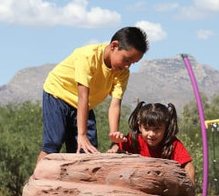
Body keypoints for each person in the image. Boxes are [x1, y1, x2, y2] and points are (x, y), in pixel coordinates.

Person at [36, 26, 149, 164]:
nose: (127, 66)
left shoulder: (122, 72)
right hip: (58, 95)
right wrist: (82, 135)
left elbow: (115, 105)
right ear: (114, 46)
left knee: (87, 152)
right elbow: (83, 96)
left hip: (84, 106)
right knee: (53, 144)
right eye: (126, 60)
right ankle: (36, 183)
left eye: (132, 63)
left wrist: (114, 139)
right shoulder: (88, 56)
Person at [109, 101, 195, 184]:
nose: (151, 134)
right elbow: (114, 151)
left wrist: (188, 194)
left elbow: (189, 168)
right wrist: (115, 145)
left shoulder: (173, 144)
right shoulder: (133, 140)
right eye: (146, 129)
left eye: (157, 129)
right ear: (139, 127)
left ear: (166, 127)